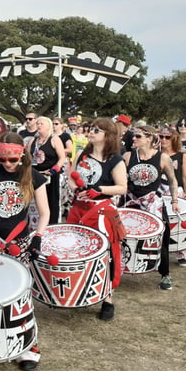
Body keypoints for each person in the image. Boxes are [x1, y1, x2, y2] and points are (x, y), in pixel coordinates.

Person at [0, 132, 49, 370]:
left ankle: (27, 347)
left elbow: (44, 213)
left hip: (20, 241)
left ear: (21, 155)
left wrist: (38, 238)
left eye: (12, 160)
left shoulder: (33, 175)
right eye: (2, 160)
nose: (7, 165)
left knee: (20, 294)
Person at [67, 118, 127, 321]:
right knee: (77, 250)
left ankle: (107, 299)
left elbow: (122, 187)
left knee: (106, 253)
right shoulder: (83, 154)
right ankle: (81, 291)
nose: (90, 132)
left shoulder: (115, 159)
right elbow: (71, 176)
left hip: (101, 211)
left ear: (107, 136)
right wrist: (76, 189)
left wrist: (98, 190)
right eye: (90, 129)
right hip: (79, 208)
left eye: (95, 130)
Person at [123, 125, 178, 290]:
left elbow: (173, 180)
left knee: (162, 237)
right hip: (132, 201)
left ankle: (165, 274)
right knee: (123, 236)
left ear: (149, 138)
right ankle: (119, 268)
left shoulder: (162, 158)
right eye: (133, 136)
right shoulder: (127, 156)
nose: (134, 139)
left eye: (138, 136)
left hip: (154, 203)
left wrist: (175, 200)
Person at [159, 127, 186, 266]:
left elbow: (185, 176)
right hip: (159, 192)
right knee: (162, 222)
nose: (163, 139)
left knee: (180, 223)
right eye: (161, 136)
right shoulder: (156, 154)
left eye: (167, 137)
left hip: (176, 192)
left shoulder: (181, 155)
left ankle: (182, 254)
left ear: (174, 139)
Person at [27, 116, 67, 224]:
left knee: (52, 202)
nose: (39, 125)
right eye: (38, 123)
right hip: (36, 175)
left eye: (41, 124)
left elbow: (62, 157)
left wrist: (54, 170)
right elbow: (28, 158)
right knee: (36, 203)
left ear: (48, 126)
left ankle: (52, 225)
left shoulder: (54, 139)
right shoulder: (33, 140)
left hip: (50, 175)